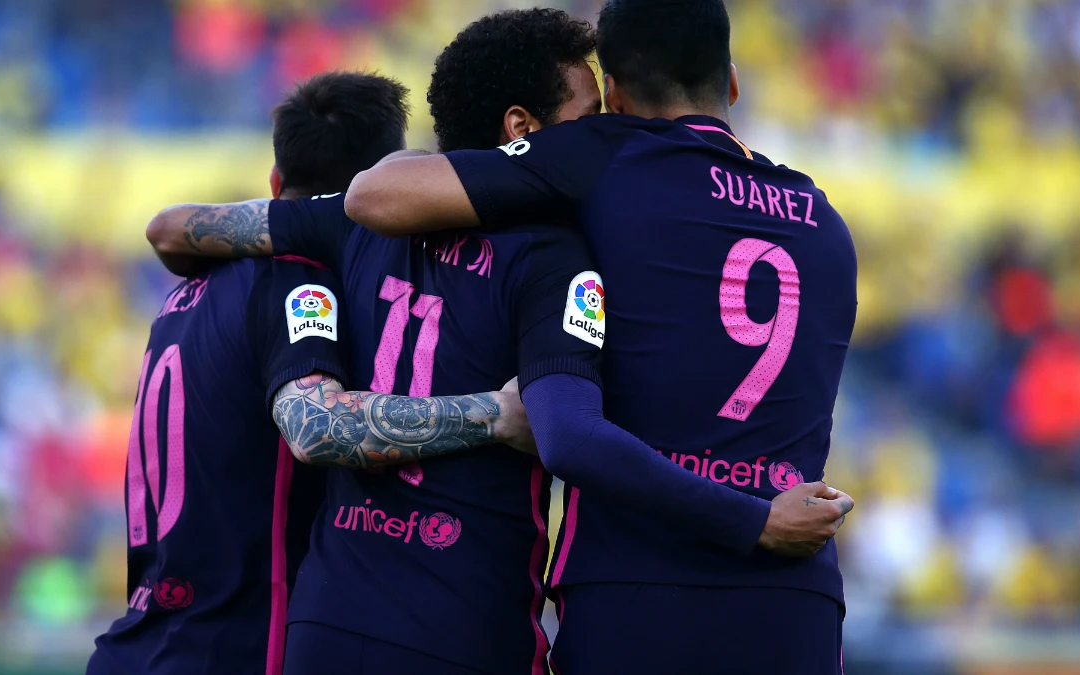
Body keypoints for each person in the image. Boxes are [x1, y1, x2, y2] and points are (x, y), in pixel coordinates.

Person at [146, 9, 852, 674]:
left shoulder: (359, 226)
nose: (600, 125)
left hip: (351, 617)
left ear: (618, 92)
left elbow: (178, 228)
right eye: (588, 116)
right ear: (731, 80)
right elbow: (572, 428)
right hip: (756, 597)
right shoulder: (818, 220)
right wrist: (755, 514)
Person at [87, 72, 534, 675]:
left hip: (139, 643)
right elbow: (315, 425)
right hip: (237, 650)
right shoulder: (297, 283)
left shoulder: (188, 292)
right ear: (382, 192)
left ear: (275, 181)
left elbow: (166, 227)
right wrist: (497, 415)